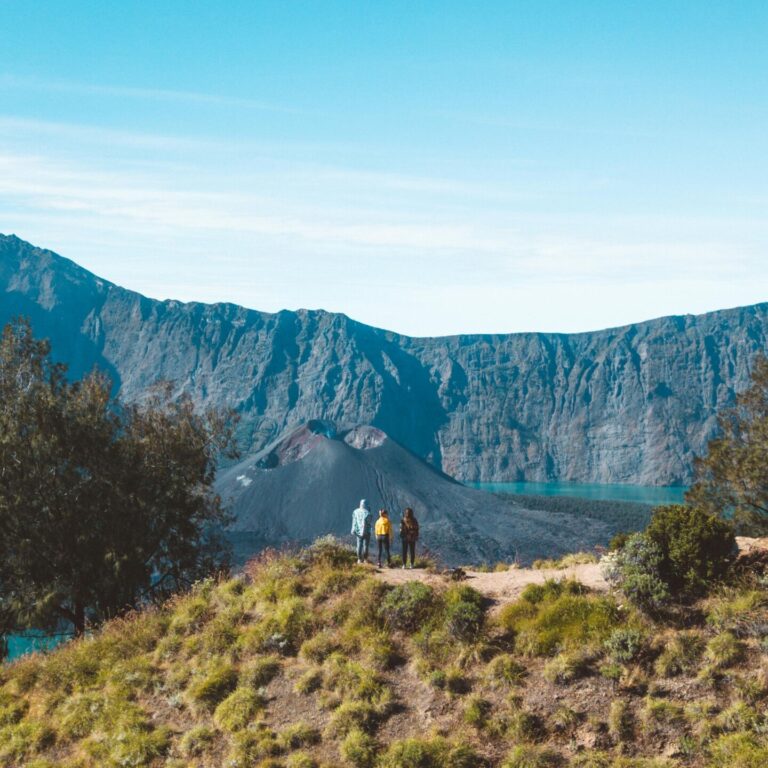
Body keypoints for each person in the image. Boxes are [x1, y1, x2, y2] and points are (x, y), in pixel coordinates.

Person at [351, 499, 372, 563]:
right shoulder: (367, 513)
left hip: (358, 532)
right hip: (366, 531)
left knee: (359, 545)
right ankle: (365, 559)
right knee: (366, 545)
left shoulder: (355, 511)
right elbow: (369, 522)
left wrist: (353, 529)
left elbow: (354, 521)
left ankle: (359, 559)